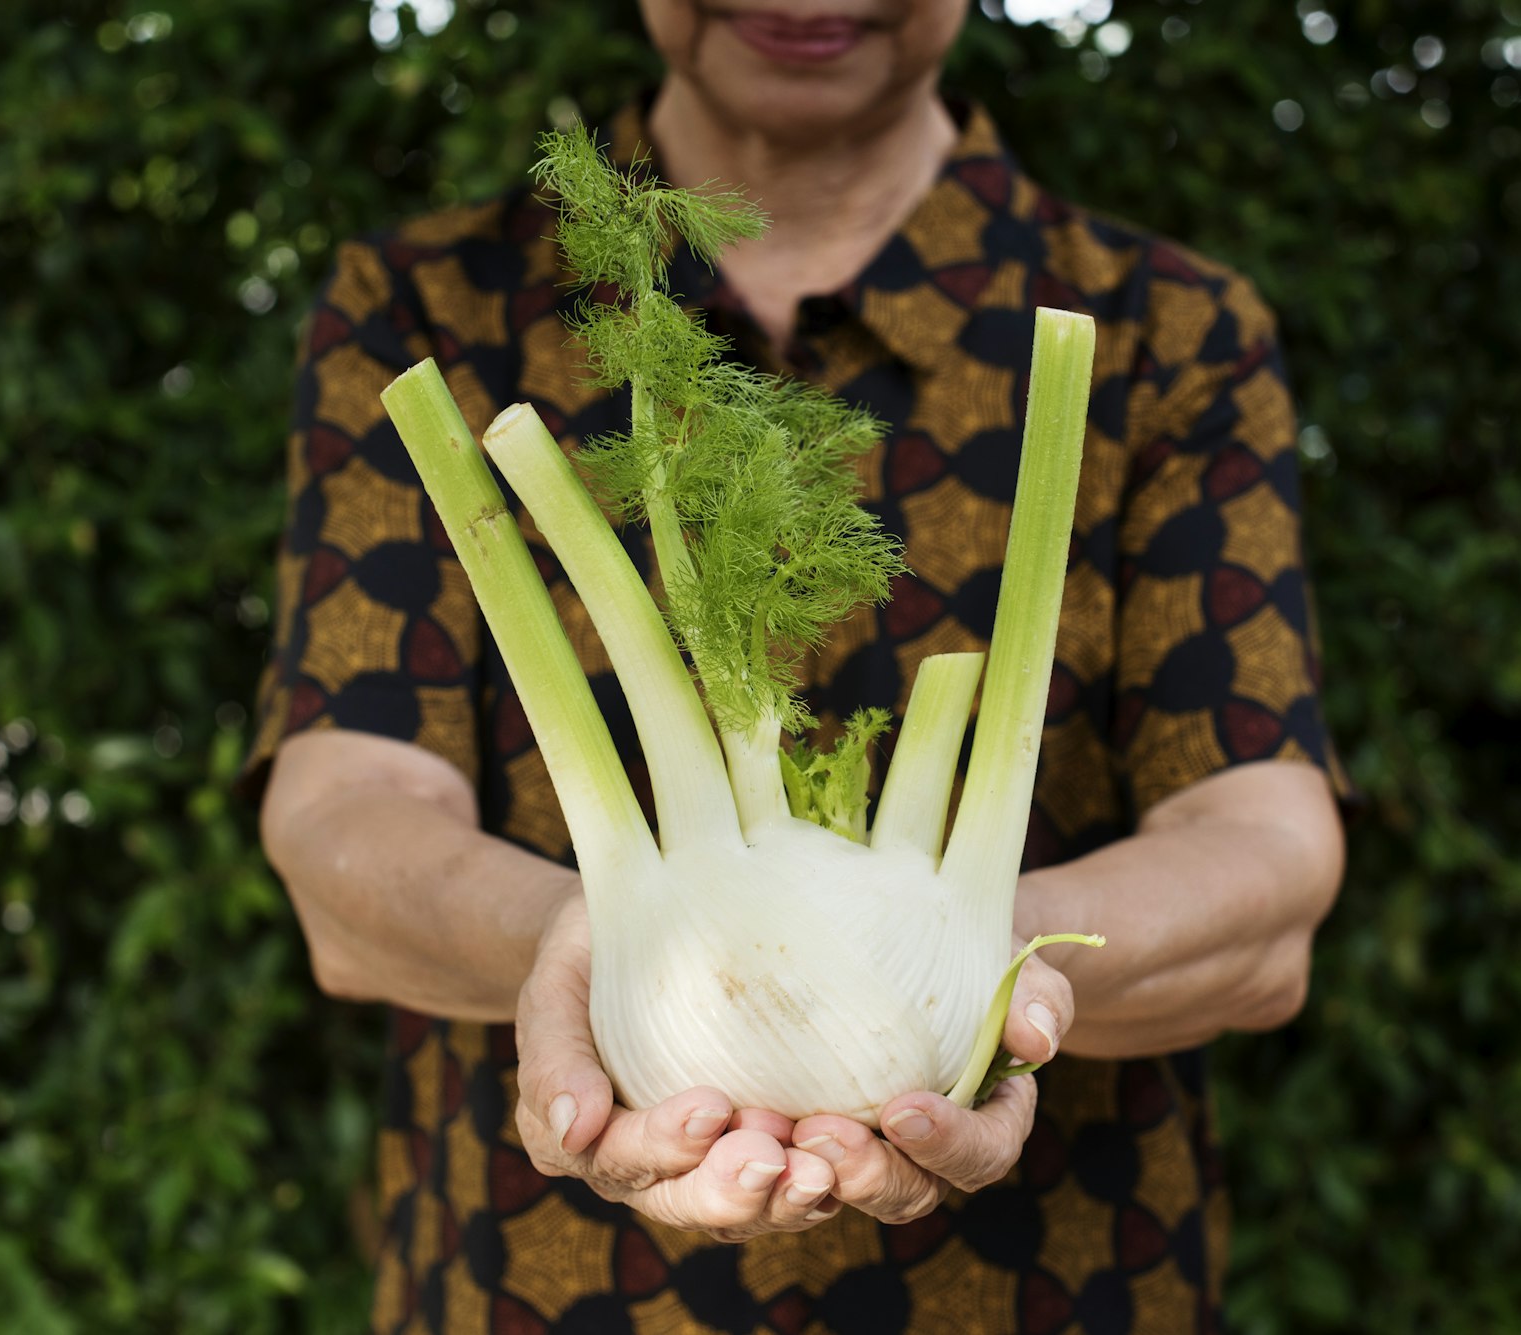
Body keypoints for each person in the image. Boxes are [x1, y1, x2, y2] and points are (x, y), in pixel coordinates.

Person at [248, 2, 1347, 1329]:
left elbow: (1265, 856)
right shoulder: (426, 312)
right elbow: (341, 820)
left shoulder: (1165, 331)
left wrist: (1000, 962)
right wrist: (575, 942)